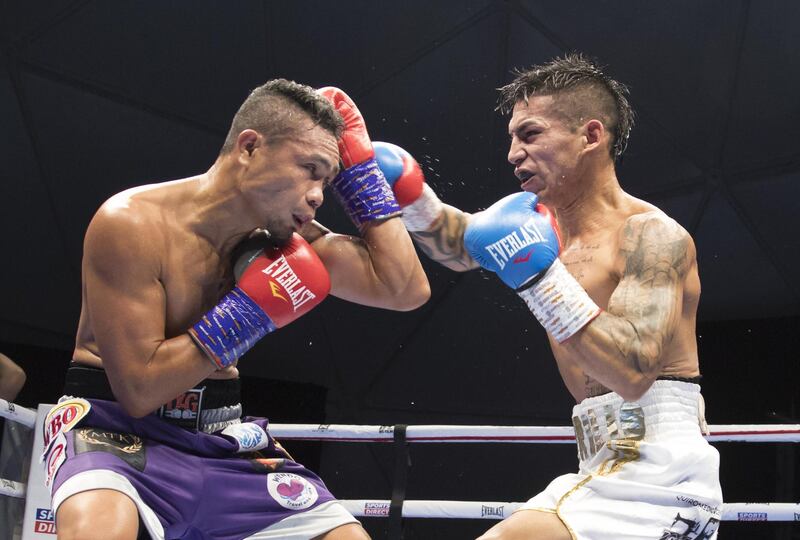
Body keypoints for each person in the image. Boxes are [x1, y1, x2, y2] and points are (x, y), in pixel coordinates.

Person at [44, 79, 430, 540]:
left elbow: (404, 289)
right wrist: (248, 313)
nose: (318, 195)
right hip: (113, 429)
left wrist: (362, 178)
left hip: (222, 435)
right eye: (310, 169)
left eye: (328, 180)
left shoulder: (283, 242)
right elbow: (139, 390)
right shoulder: (132, 224)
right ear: (249, 147)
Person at [375, 54, 722, 539]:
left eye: (530, 134)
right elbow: (457, 245)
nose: (513, 154)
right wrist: (405, 192)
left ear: (591, 137)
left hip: (660, 469)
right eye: (512, 138)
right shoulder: (545, 229)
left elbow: (634, 370)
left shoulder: (653, 236)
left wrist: (540, 280)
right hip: (599, 460)